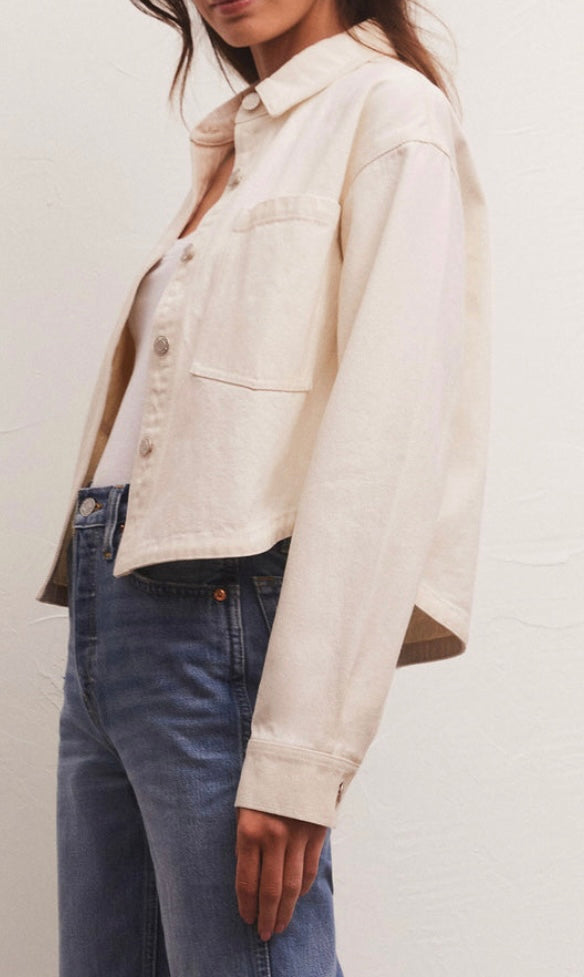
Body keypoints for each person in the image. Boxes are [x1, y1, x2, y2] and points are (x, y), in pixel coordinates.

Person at [36, 1, 491, 974]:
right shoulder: (246, 140)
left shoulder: (389, 112)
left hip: (218, 621)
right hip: (110, 613)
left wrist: (301, 754)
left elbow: (385, 441)